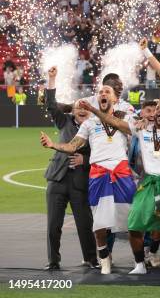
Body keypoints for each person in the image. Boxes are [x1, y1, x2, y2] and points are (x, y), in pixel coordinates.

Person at [80, 99, 160, 278]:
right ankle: (140, 264)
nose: (159, 110)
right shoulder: (141, 129)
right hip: (148, 182)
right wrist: (93, 109)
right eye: (157, 108)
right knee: (134, 225)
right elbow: (114, 121)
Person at [40, 85, 136, 275]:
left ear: (115, 99)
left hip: (121, 172)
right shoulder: (89, 125)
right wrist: (53, 145)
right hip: (98, 174)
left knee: (131, 219)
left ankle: (139, 260)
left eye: (107, 92)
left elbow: (126, 129)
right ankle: (103, 258)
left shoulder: (125, 117)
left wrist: (94, 111)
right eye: (100, 92)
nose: (102, 94)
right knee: (99, 221)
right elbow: (71, 146)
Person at [42, 67, 97, 271]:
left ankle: (91, 259)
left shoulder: (96, 128)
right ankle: (53, 261)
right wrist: (52, 78)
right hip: (57, 179)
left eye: (85, 107)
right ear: (72, 111)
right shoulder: (63, 121)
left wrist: (86, 159)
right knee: (53, 225)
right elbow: (50, 104)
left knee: (85, 224)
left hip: (80, 182)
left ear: (90, 111)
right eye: (77, 106)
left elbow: (103, 156)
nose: (81, 109)